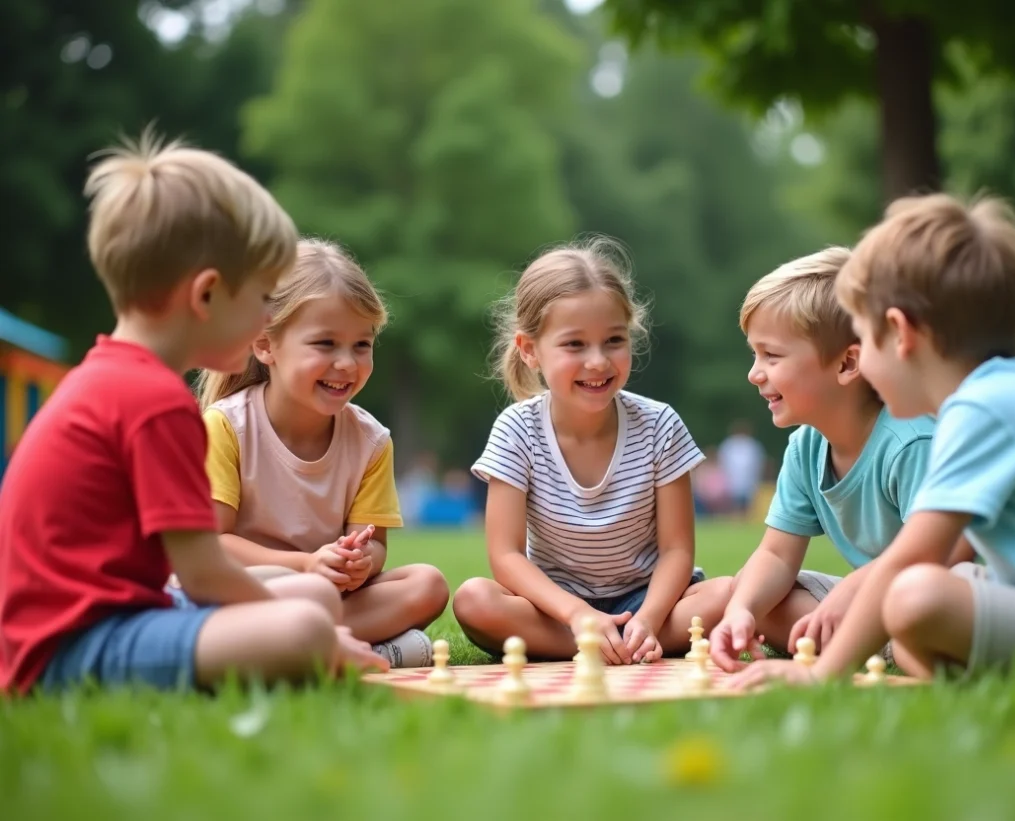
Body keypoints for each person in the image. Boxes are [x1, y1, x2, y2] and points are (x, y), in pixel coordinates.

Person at [734, 193, 1015, 688]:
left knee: (916, 596)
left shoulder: (984, 410)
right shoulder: (1002, 396)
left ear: (900, 334)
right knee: (925, 605)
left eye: (865, 341)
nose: (864, 363)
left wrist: (822, 675)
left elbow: (912, 558)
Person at [0, 132, 387, 695]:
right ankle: (326, 650)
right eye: (259, 299)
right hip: (71, 646)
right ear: (206, 295)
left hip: (107, 614)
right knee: (304, 624)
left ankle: (319, 637)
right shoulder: (155, 403)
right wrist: (314, 635)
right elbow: (205, 574)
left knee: (317, 597)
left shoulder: (117, 375)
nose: (264, 322)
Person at [451, 237, 732, 664]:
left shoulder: (660, 425)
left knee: (731, 592)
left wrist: (651, 618)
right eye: (575, 345)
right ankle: (599, 646)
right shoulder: (516, 431)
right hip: (557, 610)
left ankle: (628, 641)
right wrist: (579, 616)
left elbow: (676, 549)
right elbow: (505, 555)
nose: (598, 362)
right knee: (475, 600)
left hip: (649, 602)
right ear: (530, 351)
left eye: (613, 340)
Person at [708, 248, 972, 673]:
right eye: (754, 355)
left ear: (848, 362)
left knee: (918, 607)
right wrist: (743, 609)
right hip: (867, 597)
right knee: (755, 596)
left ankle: (871, 642)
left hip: (928, 590)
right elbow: (776, 555)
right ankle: (861, 640)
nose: (755, 373)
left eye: (771, 356)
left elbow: (943, 553)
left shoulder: (909, 442)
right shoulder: (804, 448)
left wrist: (853, 592)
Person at [195, 239, 449, 668]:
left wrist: (357, 563)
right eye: (325, 344)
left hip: (330, 593)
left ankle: (306, 643)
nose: (347, 364)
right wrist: (305, 564)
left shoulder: (371, 441)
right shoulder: (227, 426)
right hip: (248, 590)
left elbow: (376, 548)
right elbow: (212, 544)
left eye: (361, 345)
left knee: (428, 584)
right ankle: (335, 644)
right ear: (265, 345)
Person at [717, 420, 766, 515]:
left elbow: (758, 463)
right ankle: (735, 515)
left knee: (747, 500)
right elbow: (723, 462)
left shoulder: (753, 445)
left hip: (749, 478)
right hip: (731, 479)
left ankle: (745, 515)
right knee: (734, 501)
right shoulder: (729, 445)